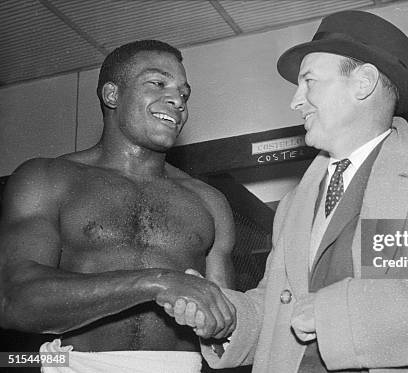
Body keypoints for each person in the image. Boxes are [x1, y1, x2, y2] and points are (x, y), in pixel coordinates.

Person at [166, 10, 408, 372]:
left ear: (363, 82)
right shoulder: (292, 204)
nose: (296, 101)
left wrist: (335, 314)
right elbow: (276, 308)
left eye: (309, 81)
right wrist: (223, 316)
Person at [0, 40, 236, 373]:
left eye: (184, 94)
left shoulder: (209, 201)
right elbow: (15, 299)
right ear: (112, 95)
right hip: (76, 365)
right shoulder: (47, 179)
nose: (177, 101)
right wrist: (156, 282)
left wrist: (218, 325)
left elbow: (224, 326)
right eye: (158, 84)